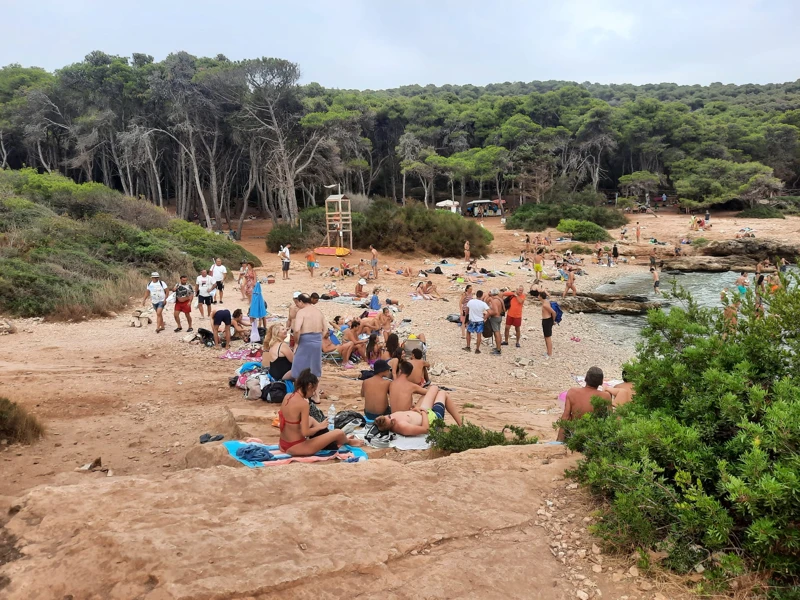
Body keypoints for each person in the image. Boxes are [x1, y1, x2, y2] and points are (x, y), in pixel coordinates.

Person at [278, 369, 358, 456]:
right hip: (296, 447)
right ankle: (348, 441)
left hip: (283, 444)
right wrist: (320, 427)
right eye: (313, 391)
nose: (312, 394)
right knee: (338, 432)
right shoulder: (303, 404)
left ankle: (330, 439)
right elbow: (306, 433)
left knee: (311, 419)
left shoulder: (287, 396)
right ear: (309, 386)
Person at [375, 386, 462, 435]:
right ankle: (461, 425)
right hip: (432, 417)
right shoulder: (402, 427)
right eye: (391, 420)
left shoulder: (390, 419)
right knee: (442, 393)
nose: (392, 417)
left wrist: (415, 409)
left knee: (434, 388)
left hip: (419, 411)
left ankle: (435, 397)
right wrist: (424, 412)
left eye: (389, 416)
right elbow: (425, 429)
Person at [556, 367, 611, 441]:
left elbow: (565, 417)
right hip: (594, 438)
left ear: (585, 379)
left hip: (575, 435)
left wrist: (559, 440)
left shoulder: (572, 392)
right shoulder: (605, 396)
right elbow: (610, 418)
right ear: (601, 382)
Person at [291, 294, 325, 378]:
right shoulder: (318, 312)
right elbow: (326, 329)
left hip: (305, 340)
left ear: (301, 301)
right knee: (314, 367)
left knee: (298, 367)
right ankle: (314, 390)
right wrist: (319, 339)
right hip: (317, 340)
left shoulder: (301, 312)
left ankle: (299, 388)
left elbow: (297, 329)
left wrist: (296, 342)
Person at [465, 290, 490, 354]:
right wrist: (485, 317)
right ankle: (477, 349)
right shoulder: (483, 303)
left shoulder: (471, 301)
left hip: (472, 320)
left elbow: (467, 310)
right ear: (481, 296)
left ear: (476, 295)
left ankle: (468, 346)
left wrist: (466, 317)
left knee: (468, 332)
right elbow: (489, 312)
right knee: (479, 335)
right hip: (480, 320)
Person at [486, 289, 504, 355]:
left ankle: (498, 349)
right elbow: (504, 309)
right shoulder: (500, 299)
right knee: (498, 332)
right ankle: (498, 347)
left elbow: (495, 311)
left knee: (496, 333)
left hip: (495, 318)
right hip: (499, 317)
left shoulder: (494, 301)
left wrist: (488, 315)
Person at [539, 290, 556, 359]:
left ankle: (549, 353)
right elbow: (548, 296)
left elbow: (553, 312)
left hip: (547, 320)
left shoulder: (545, 305)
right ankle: (548, 352)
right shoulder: (546, 301)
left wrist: (553, 321)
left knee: (548, 337)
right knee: (546, 337)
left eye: (538, 295)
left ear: (540, 297)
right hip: (546, 320)